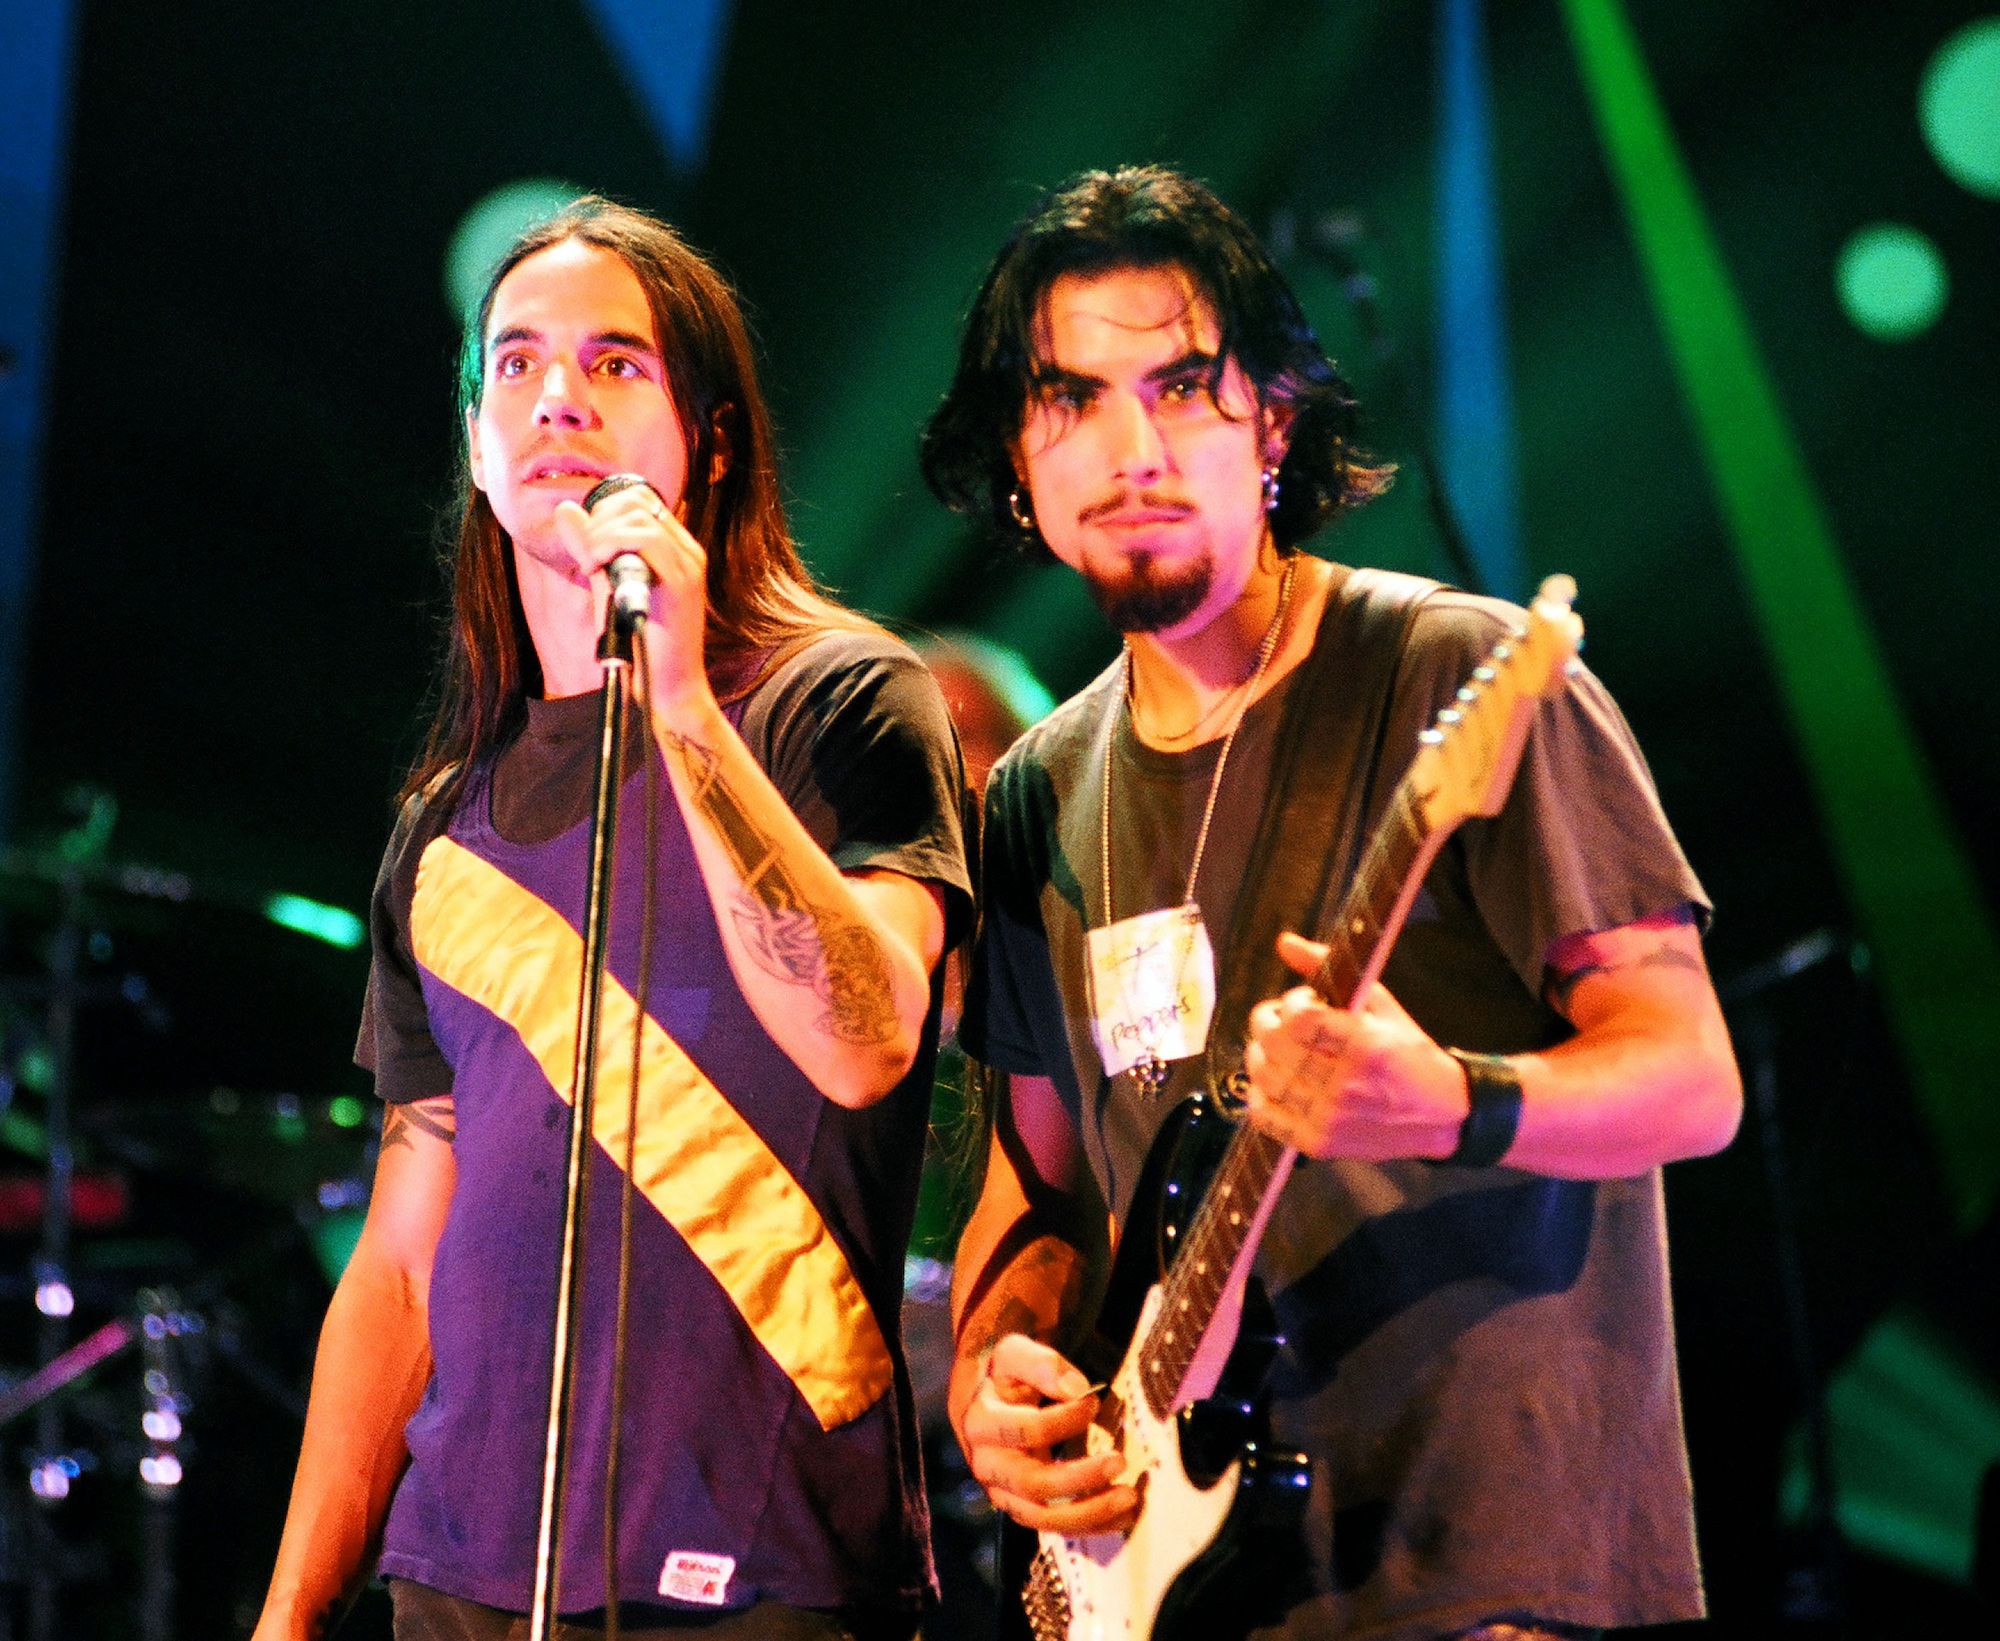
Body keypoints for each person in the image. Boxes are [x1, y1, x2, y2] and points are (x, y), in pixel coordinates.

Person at [923, 167, 1741, 1641]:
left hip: (1492, 1571)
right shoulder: (1037, 793)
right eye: (1076, 399)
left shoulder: (1449, 672)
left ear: (1274, 424)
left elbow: (1692, 1076)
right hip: (1202, 1591)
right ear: (1020, 462)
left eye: (1182, 386)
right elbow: (1031, 1193)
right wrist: (997, 1369)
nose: (1136, 446)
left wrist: (1452, 1101)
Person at [254, 198, 971, 1641]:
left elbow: (867, 1039)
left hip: (758, 1577)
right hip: (461, 1573)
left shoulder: (840, 703)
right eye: (513, 366)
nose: (558, 397)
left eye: (614, 364)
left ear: (706, 437)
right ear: (473, 440)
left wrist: (687, 704)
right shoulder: (445, 823)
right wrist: (288, 1610)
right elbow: (400, 1263)